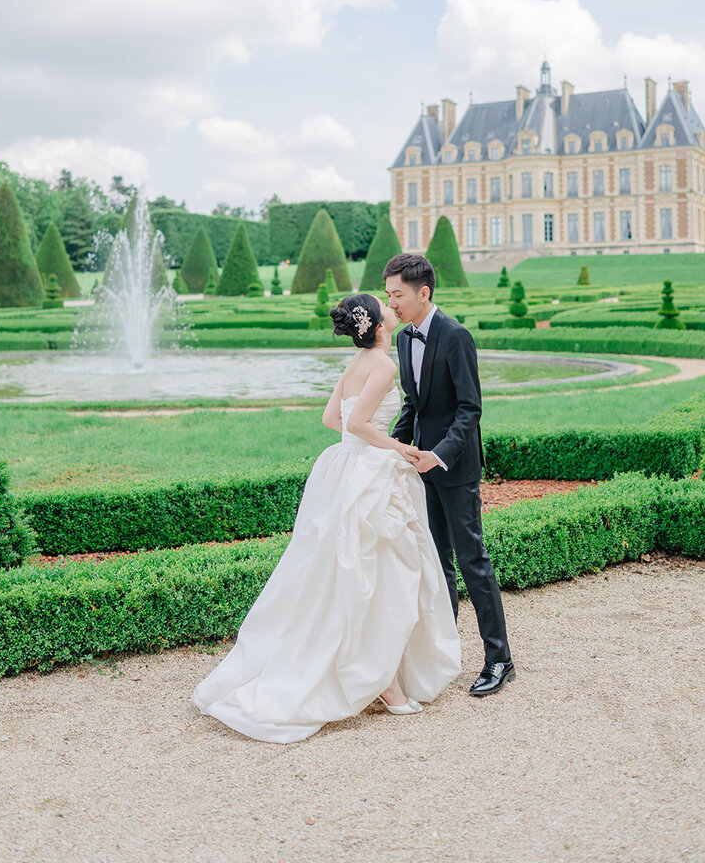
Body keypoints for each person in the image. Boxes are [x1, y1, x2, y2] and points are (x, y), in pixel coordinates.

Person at [191, 292, 461, 743]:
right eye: (385, 305)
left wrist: (371, 440)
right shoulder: (384, 365)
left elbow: (330, 419)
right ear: (377, 325)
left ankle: (381, 678)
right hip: (369, 476)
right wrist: (400, 448)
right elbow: (357, 424)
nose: (392, 307)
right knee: (381, 580)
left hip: (343, 468)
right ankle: (384, 686)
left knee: (355, 577)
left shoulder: (354, 366)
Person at [383, 253, 514, 696]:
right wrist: (392, 448)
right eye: (388, 296)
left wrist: (438, 455)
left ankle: (500, 659)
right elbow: (412, 405)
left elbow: (469, 409)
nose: (392, 304)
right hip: (420, 466)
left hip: (454, 468)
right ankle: (446, 653)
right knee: (437, 567)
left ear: (424, 292)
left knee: (472, 561)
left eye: (397, 295)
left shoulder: (456, 336)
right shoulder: (403, 338)